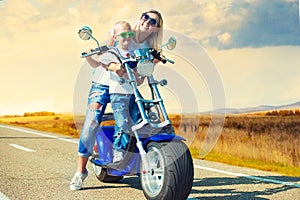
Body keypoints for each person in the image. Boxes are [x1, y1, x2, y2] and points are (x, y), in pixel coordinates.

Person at [70, 9, 164, 191]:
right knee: (92, 121)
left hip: (124, 87)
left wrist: (147, 67)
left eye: (153, 21)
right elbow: (100, 55)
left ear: (156, 29)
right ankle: (80, 172)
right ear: (140, 18)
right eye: (145, 17)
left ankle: (140, 160)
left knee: (148, 117)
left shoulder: (148, 50)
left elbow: (139, 79)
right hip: (102, 83)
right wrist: (112, 65)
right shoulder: (123, 30)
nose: (147, 22)